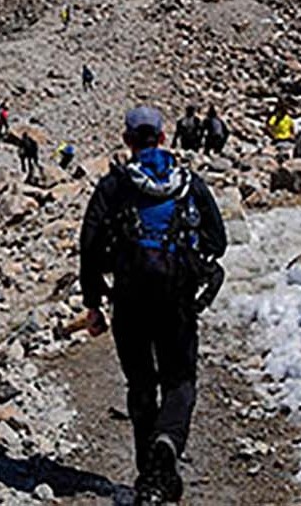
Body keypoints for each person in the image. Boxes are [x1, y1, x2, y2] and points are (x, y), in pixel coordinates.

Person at [78, 107, 228, 504]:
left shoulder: (114, 185)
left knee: (141, 383)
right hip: (177, 297)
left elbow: (89, 247)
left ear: (128, 141)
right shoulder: (188, 183)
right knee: (180, 380)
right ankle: (167, 448)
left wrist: (93, 305)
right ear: (163, 138)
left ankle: (150, 474)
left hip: (129, 299)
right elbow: (219, 240)